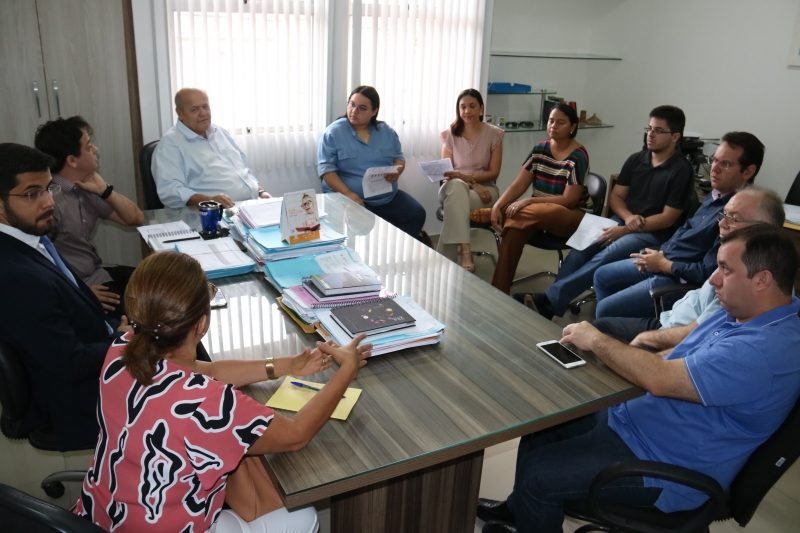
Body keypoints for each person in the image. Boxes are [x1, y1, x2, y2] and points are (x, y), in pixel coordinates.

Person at [478, 225, 800, 533]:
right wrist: (626, 361)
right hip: (642, 426)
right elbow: (675, 362)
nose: (713, 279)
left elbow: (662, 379)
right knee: (542, 428)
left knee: (539, 476)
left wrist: (599, 342)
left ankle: (531, 508)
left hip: (665, 465)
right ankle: (520, 514)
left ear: (763, 280)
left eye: (725, 270)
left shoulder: (763, 351)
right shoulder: (744, 315)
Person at [75, 251, 372, 533]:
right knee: (301, 518)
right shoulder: (207, 403)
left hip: (100, 518)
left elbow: (207, 371)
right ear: (202, 322)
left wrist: (288, 365)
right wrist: (345, 371)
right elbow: (296, 435)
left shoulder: (121, 349)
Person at [0, 143, 130, 452]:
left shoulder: (27, 238)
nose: (48, 203)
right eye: (33, 194)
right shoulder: (14, 277)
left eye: (48, 189)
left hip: (95, 355)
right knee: (202, 399)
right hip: (79, 401)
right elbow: (71, 363)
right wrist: (124, 342)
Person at [517, 106, 693, 319]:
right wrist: (627, 219)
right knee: (580, 249)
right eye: (649, 128)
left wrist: (625, 229)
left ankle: (548, 302)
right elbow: (616, 197)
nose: (650, 134)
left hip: (653, 233)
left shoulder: (681, 170)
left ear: (675, 137)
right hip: (624, 221)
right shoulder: (637, 159)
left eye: (658, 131)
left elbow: (667, 219)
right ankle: (550, 302)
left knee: (605, 255)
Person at [593, 131, 764, 319]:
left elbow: (707, 272)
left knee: (605, 310)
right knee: (601, 276)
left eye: (725, 164)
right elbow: (686, 228)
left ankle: (629, 331)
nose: (714, 169)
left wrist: (665, 265)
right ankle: (620, 327)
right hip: (664, 261)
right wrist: (659, 254)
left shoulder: (736, 217)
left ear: (748, 172)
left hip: (679, 280)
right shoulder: (715, 195)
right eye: (714, 160)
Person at [593, 185, 785, 347]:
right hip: (668, 319)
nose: (722, 224)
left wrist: (645, 343)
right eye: (723, 215)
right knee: (596, 324)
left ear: (763, 227)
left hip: (674, 332)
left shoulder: (745, 280)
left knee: (598, 331)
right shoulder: (733, 255)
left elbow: (696, 336)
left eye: (733, 218)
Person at [34, 116, 144, 321]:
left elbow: (135, 218)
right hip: (82, 287)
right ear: (72, 160)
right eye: (88, 146)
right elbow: (40, 260)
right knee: (150, 314)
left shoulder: (84, 187)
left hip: (99, 273)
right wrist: (78, 293)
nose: (95, 150)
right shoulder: (50, 201)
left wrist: (104, 190)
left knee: (159, 283)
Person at [490, 104, 590, 294]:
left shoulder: (578, 155)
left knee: (535, 211)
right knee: (512, 232)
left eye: (561, 122)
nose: (553, 125)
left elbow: (569, 200)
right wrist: (498, 205)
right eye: (551, 121)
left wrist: (527, 202)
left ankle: (506, 213)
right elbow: (518, 185)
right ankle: (499, 293)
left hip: (570, 215)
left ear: (573, 127)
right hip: (535, 215)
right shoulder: (540, 148)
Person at [317, 85, 427, 241]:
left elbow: (399, 158)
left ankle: (397, 253)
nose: (354, 111)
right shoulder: (333, 133)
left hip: (385, 197)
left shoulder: (386, 131)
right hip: (348, 198)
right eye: (352, 104)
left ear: (374, 111)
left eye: (362, 108)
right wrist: (349, 194)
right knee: (360, 228)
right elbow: (326, 171)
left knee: (416, 213)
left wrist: (397, 171)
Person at [152, 88, 271, 208]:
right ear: (180, 113)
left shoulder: (220, 132)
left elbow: (242, 167)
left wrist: (260, 191)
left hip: (250, 206)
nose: (203, 113)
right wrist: (209, 200)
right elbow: (170, 192)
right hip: (211, 213)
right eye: (194, 109)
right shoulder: (170, 145)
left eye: (205, 106)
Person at [437, 89, 504, 271]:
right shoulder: (449, 135)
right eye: (462, 107)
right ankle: (466, 250)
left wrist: (472, 181)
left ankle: (443, 262)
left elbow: (494, 173)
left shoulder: (495, 135)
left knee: (456, 205)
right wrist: (472, 182)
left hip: (486, 191)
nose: (467, 111)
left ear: (481, 109)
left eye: (472, 106)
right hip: (452, 187)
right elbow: (448, 173)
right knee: (457, 187)